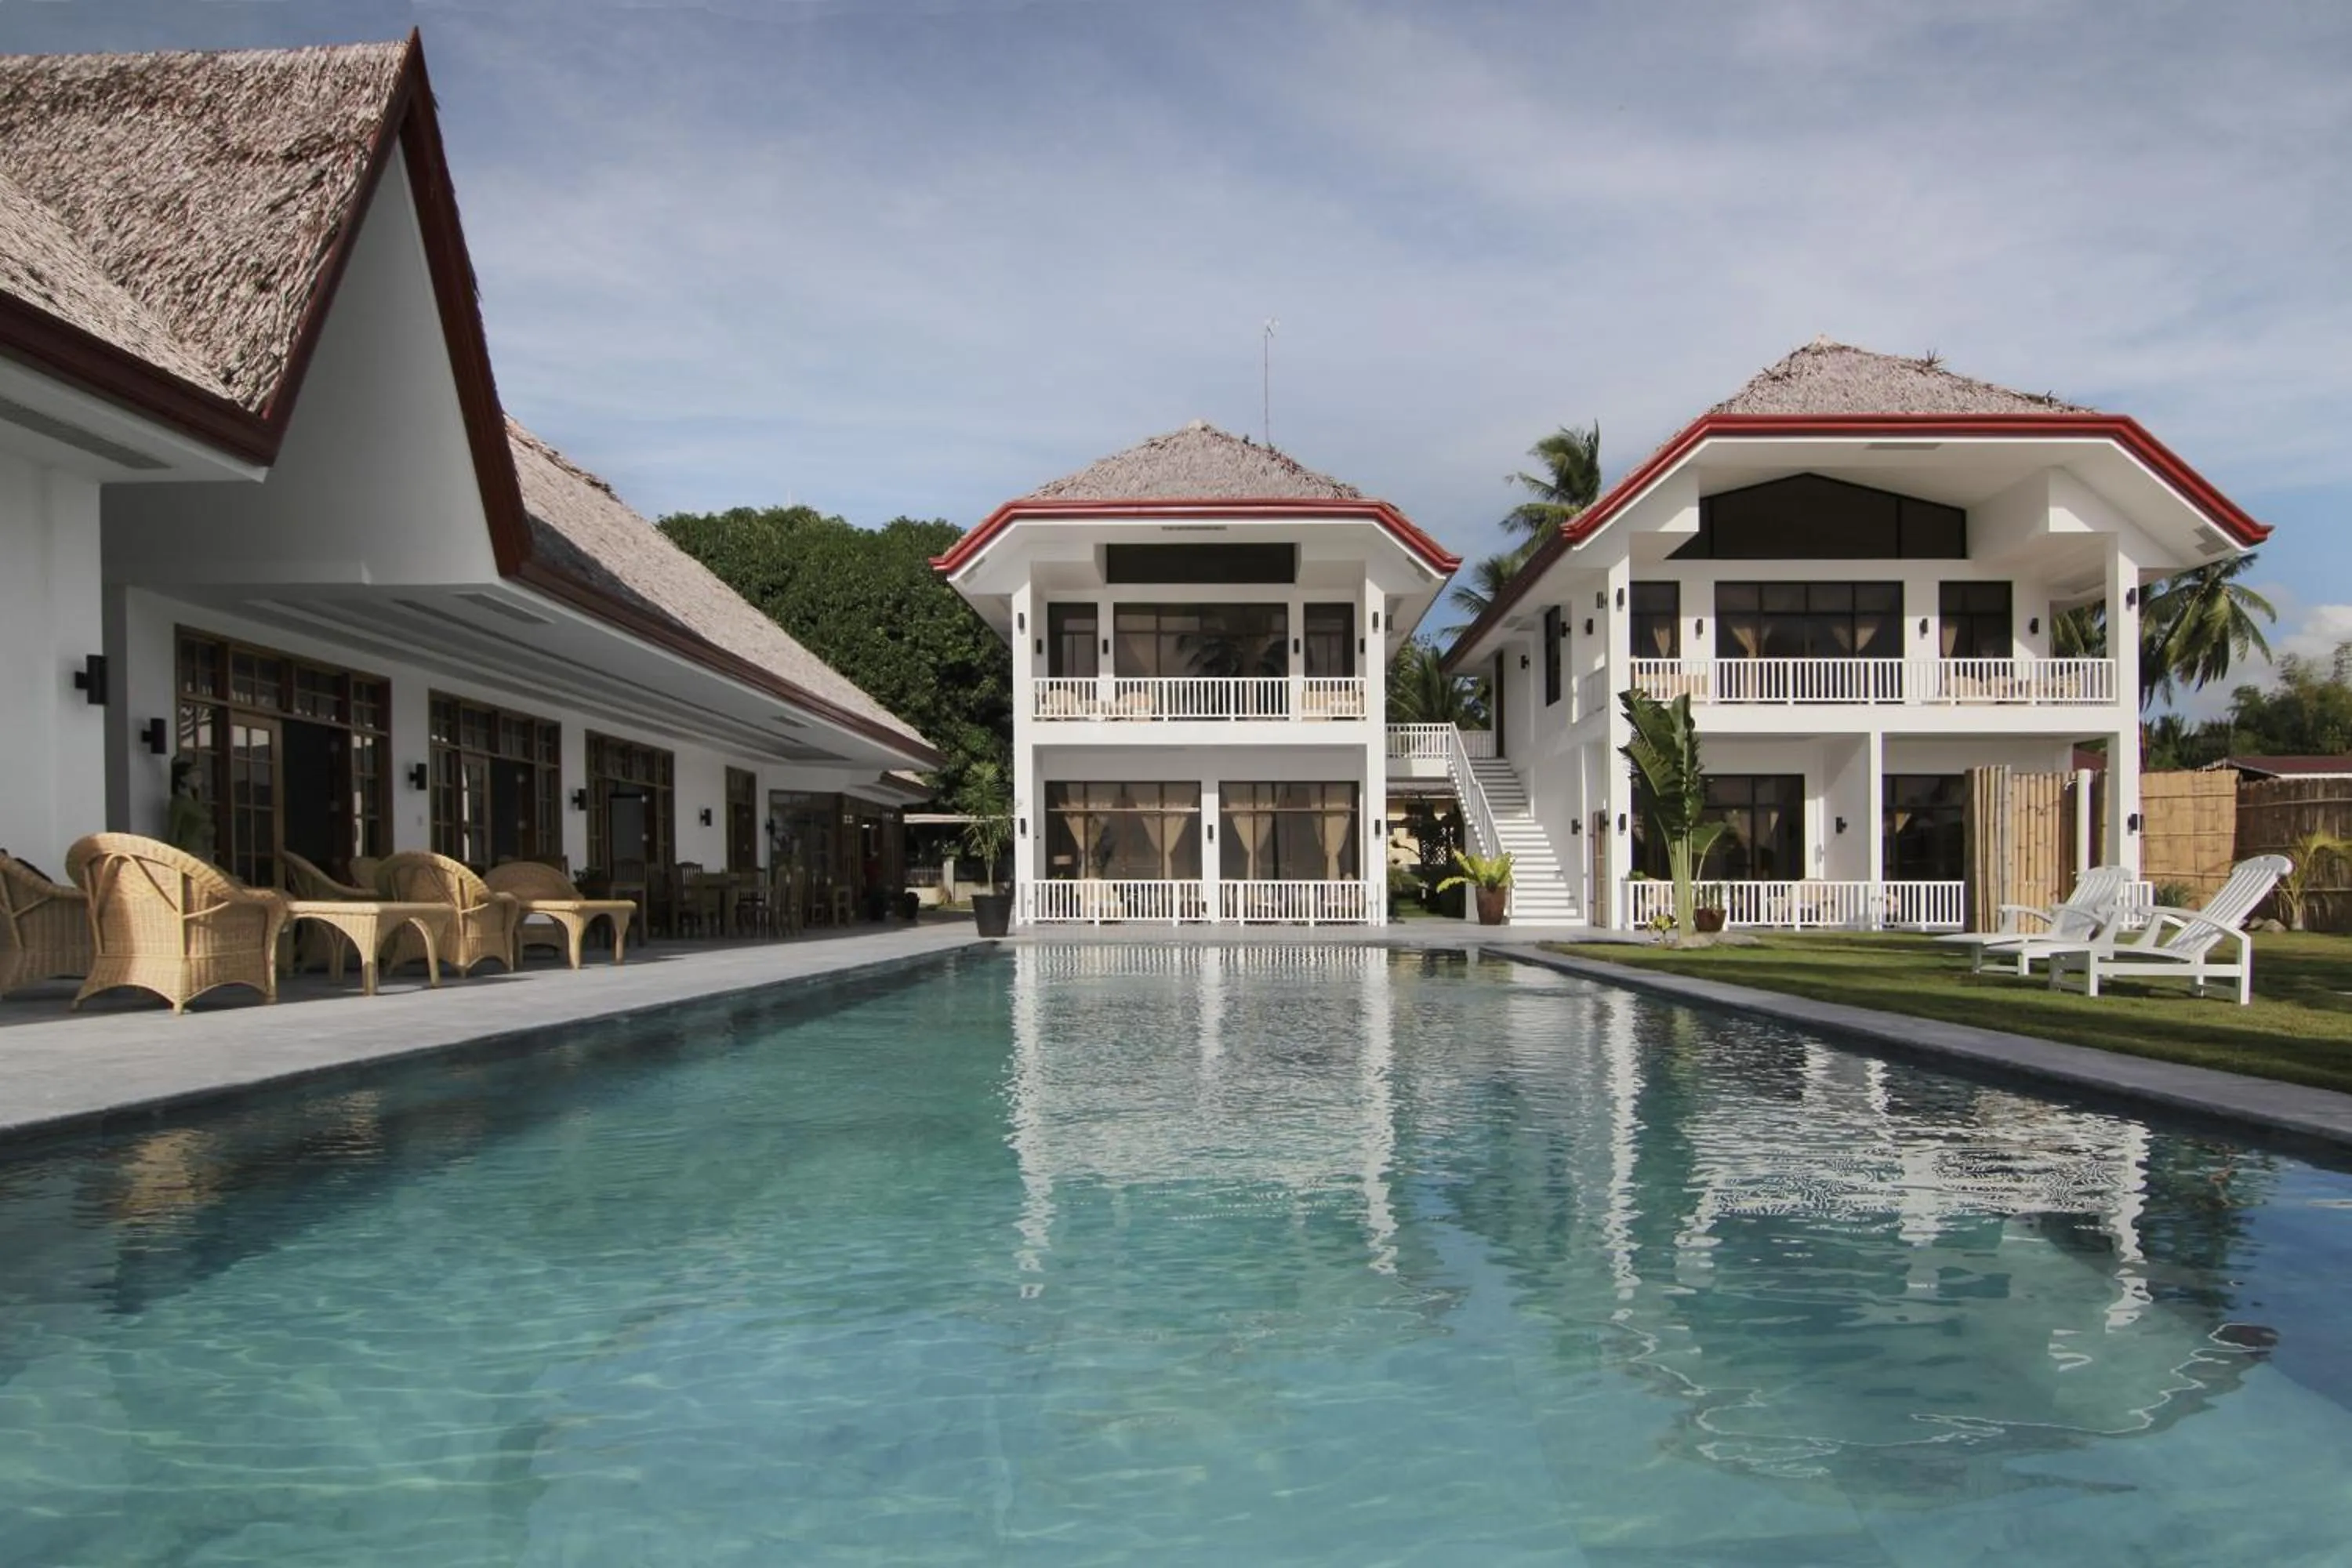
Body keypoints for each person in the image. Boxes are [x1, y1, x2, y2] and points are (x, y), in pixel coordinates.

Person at [165, 757, 216, 861]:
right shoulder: (179, 802)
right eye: (195, 774)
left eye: (200, 775)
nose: (199, 778)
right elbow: (173, 833)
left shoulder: (194, 803)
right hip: (190, 852)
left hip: (204, 851)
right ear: (183, 778)